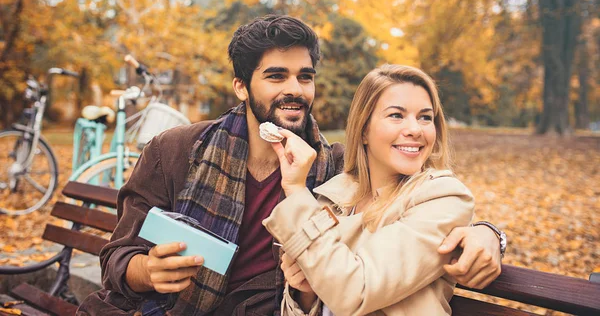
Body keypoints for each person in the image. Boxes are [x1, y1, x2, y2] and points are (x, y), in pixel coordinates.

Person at [78, 16, 504, 315]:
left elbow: (412, 202)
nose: (294, 90)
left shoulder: (334, 170)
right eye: (276, 76)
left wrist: (489, 234)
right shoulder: (175, 150)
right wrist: (147, 272)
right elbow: (118, 255)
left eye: (305, 76)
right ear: (242, 86)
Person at [264, 64, 475, 315]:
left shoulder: (443, 198)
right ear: (364, 129)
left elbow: (355, 290)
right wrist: (306, 294)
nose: (415, 129)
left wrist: (296, 190)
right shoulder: (331, 198)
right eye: (396, 115)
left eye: (425, 117)